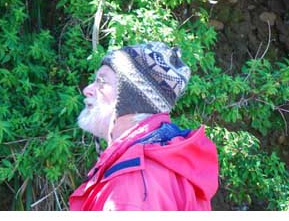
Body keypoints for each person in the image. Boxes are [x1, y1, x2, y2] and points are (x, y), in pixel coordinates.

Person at [69, 42, 219, 211]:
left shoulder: (131, 187)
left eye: (101, 81)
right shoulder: (162, 157)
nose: (87, 89)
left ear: (130, 97)